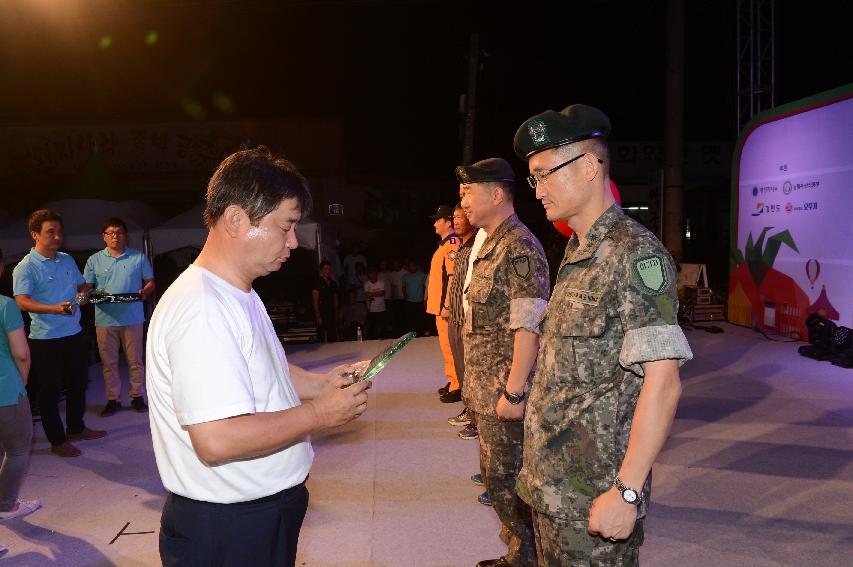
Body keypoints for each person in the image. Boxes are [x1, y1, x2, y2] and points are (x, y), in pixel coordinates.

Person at [146, 147, 370, 567]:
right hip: (230, 527)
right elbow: (217, 439)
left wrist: (322, 385)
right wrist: (319, 415)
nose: (294, 241)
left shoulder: (237, 292)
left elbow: (265, 368)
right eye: (286, 225)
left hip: (253, 513)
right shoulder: (203, 308)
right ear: (236, 219)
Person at [513, 104, 693, 566]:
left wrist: (627, 492)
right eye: (533, 178)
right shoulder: (576, 251)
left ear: (590, 167)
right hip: (552, 489)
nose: (538, 190)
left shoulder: (635, 255)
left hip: (593, 495)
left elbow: (664, 381)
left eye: (544, 173)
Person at [458, 158, 550, 567]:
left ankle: (529, 557)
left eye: (468, 193)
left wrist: (514, 391)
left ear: (496, 195)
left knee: (509, 482)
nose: (461, 203)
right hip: (485, 387)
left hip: (504, 391)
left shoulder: (519, 247)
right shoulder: (491, 243)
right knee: (498, 479)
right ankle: (519, 553)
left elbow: (528, 326)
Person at [13, 209, 107, 458]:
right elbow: (21, 302)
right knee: (50, 391)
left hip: (73, 332)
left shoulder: (66, 259)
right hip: (45, 339)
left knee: (78, 383)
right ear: (35, 234)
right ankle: (57, 440)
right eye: (50, 232)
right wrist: (53, 308)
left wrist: (85, 294)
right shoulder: (26, 267)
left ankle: (76, 428)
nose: (57, 237)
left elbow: (81, 286)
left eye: (59, 232)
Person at [83, 217, 155, 417]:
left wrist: (145, 290)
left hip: (133, 317)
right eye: (110, 233)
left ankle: (137, 396)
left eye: (119, 233)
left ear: (126, 236)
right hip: (105, 319)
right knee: (109, 362)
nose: (115, 236)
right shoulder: (94, 260)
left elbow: (150, 281)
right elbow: (87, 286)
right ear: (104, 237)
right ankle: (112, 399)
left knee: (135, 361)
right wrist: (84, 294)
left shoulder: (138, 257)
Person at [0, 248, 42, 523]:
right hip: (5, 391)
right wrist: (22, 380)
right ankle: (6, 505)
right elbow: (21, 353)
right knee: (16, 450)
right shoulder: (5, 305)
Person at [425, 205, 460, 402]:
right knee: (446, 347)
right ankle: (452, 379)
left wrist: (447, 305)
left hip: (445, 307)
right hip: (440, 306)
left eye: (438, 220)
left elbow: (453, 276)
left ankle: (457, 385)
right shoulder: (444, 244)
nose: (434, 223)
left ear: (448, 222)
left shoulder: (452, 243)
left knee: (450, 346)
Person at [311, 260, 339, 342]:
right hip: (322, 312)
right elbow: (315, 301)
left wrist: (336, 314)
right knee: (321, 336)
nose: (328, 271)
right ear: (321, 270)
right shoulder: (317, 283)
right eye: (325, 268)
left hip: (331, 312)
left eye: (329, 269)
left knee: (333, 335)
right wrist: (318, 316)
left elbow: (336, 300)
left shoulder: (333, 283)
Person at [401, 260, 427, 335]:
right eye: (410, 266)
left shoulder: (422, 275)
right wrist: (404, 294)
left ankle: (421, 333)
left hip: (420, 300)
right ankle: (411, 334)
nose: (412, 267)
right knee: (410, 318)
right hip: (409, 301)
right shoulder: (405, 276)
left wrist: (425, 299)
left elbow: (426, 287)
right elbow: (403, 287)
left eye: (413, 266)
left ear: (416, 266)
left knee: (420, 318)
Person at [364, 267, 389, 339]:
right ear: (369, 274)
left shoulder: (381, 282)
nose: (373, 275)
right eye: (371, 273)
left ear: (376, 274)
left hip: (381, 308)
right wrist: (377, 293)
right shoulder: (366, 284)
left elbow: (382, 293)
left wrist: (371, 294)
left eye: (374, 273)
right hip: (371, 309)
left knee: (383, 327)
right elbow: (367, 295)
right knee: (372, 327)